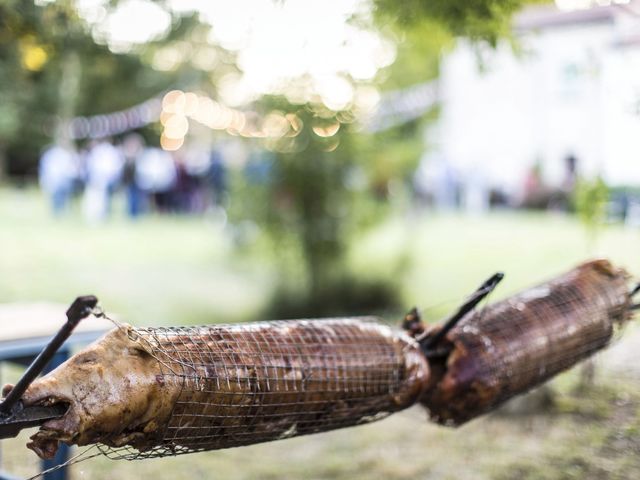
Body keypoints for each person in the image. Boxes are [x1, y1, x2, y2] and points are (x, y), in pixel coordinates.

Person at [83, 138, 124, 222]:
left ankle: (101, 215)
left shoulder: (102, 151)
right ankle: (100, 215)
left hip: (102, 178)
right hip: (99, 178)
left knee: (101, 198)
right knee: (99, 198)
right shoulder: (103, 151)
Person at [39, 141, 80, 216]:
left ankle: (61, 214)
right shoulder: (55, 154)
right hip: (56, 180)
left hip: (63, 180)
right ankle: (58, 214)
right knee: (57, 199)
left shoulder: (65, 154)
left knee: (63, 198)